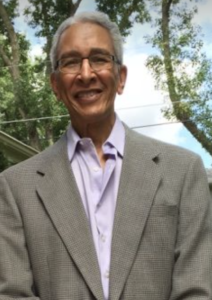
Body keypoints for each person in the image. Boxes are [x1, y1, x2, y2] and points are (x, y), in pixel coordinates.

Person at [0, 11, 211, 300]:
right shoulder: (15, 188)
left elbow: (197, 291)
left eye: (99, 59)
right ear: (56, 86)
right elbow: (12, 294)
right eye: (71, 62)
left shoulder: (183, 172)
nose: (86, 74)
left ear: (120, 77)